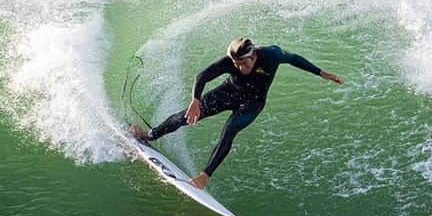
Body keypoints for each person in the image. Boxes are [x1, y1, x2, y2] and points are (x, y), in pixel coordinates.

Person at [131, 37, 343, 189]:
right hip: (228, 93)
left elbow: (294, 58)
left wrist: (321, 73)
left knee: (230, 130)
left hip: (252, 104)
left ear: (253, 56)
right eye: (236, 64)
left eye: (243, 63)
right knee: (186, 116)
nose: (240, 68)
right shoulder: (230, 63)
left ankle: (204, 177)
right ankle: (149, 135)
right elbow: (202, 76)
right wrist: (195, 99)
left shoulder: (271, 55)